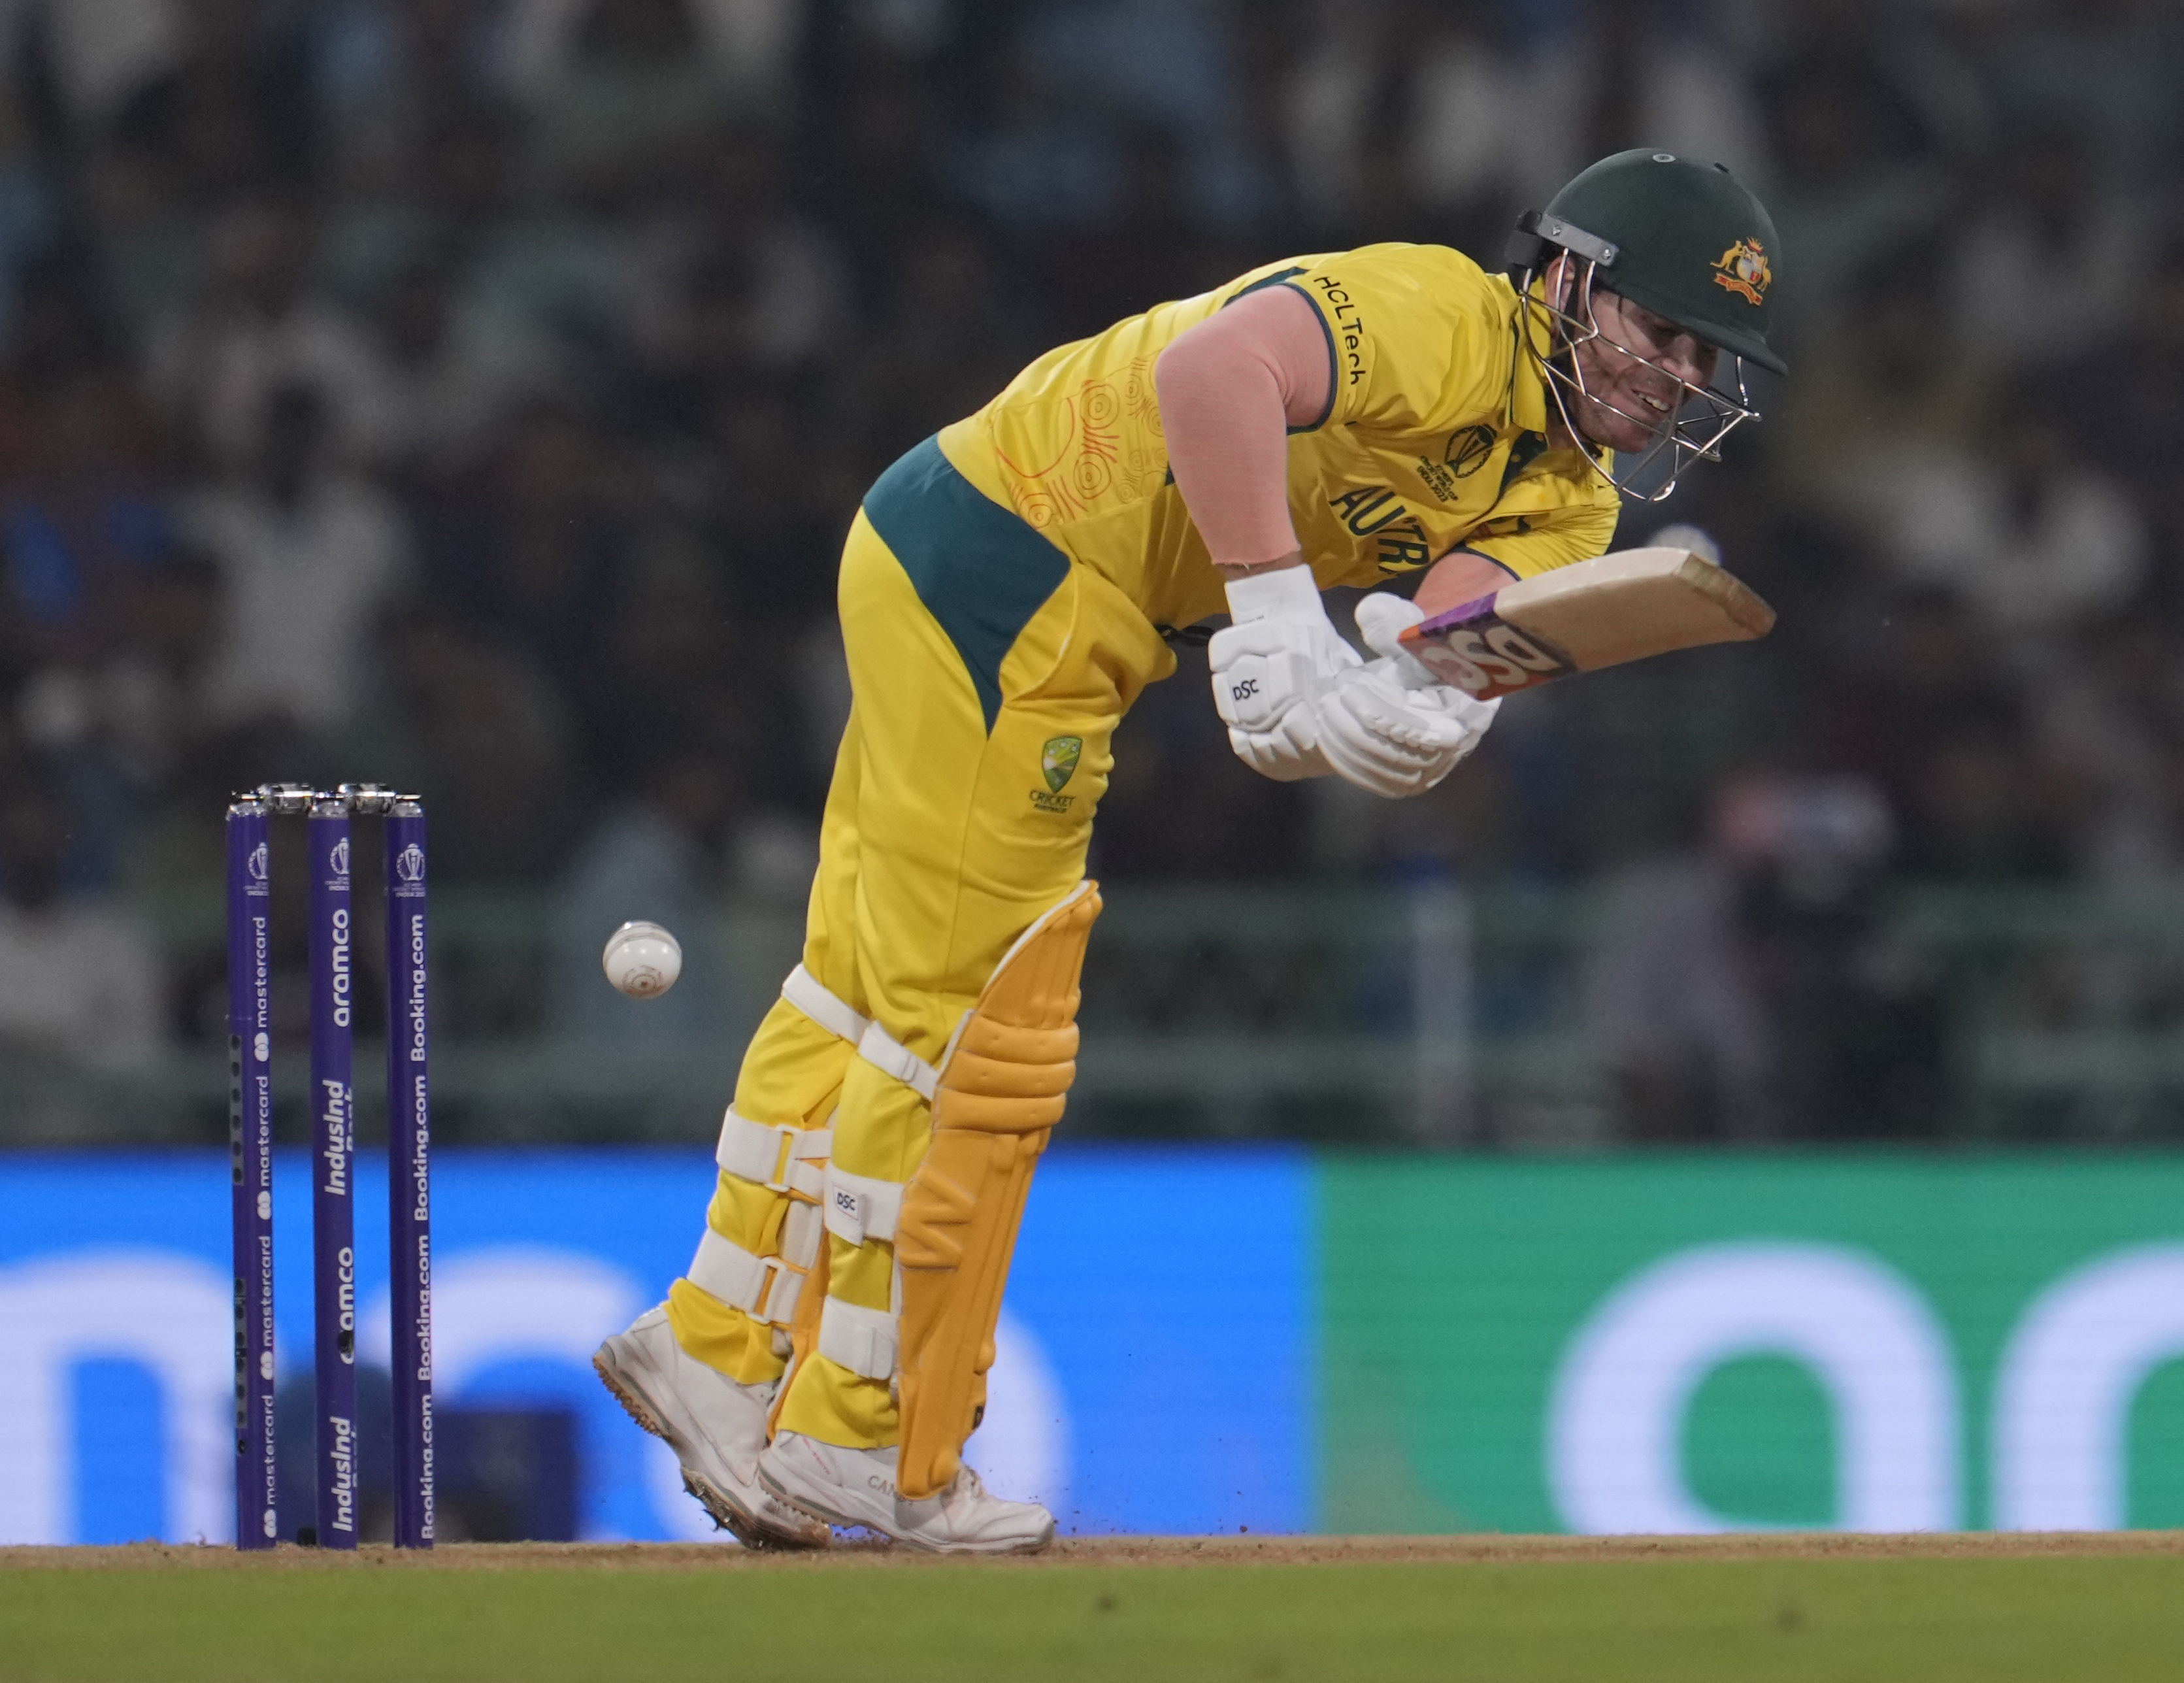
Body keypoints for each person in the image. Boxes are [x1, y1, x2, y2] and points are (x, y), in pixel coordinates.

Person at [593, 149, 1786, 1552]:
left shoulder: (1573, 494)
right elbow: (1215, 374)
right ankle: (857, 1438)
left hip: (993, 565)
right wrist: (1276, 617)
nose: (1679, 378)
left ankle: (718, 1345)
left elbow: (1456, 625)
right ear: (1572, 278)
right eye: (1662, 330)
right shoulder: (1436, 316)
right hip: (1011, 563)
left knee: (859, 994)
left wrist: (1421, 702)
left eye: (1705, 357)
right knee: (975, 1029)